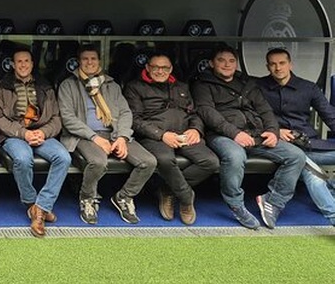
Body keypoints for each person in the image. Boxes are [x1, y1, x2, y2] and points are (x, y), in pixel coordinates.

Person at [191, 45, 305, 229]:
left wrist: (272, 131)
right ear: (212, 63)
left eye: (231, 61)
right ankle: (236, 204)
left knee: (296, 156)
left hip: (256, 133)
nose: (227, 64)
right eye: (221, 60)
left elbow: (264, 108)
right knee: (235, 156)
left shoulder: (247, 82)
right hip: (222, 135)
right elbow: (207, 112)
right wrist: (235, 133)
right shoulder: (202, 83)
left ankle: (273, 201)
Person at [59, 44, 156, 225]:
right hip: (84, 136)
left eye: (93, 59)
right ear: (79, 62)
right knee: (98, 162)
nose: (90, 62)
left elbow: (126, 113)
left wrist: (122, 137)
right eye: (85, 59)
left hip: (113, 133)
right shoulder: (68, 85)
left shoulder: (111, 85)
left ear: (99, 61)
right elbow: (68, 118)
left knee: (148, 162)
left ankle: (124, 197)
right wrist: (95, 138)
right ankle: (87, 198)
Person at [124, 52, 219, 225]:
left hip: (184, 134)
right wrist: (161, 135)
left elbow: (194, 113)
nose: (160, 71)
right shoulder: (134, 87)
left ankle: (168, 189)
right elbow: (135, 120)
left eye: (165, 68)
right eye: (155, 67)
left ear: (171, 69)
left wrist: (195, 129)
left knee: (211, 161)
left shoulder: (181, 87)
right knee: (165, 159)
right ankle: (186, 197)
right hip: (155, 137)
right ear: (147, 67)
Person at [0, 47, 69, 237]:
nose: (23, 65)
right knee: (24, 159)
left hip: (42, 133)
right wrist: (22, 133)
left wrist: (43, 132)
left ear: (33, 64)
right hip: (14, 135)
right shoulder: (2, 86)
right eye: (19, 61)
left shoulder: (45, 86)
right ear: (13, 65)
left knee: (63, 158)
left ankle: (41, 207)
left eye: (27, 61)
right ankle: (31, 203)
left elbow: (57, 118)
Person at [257, 48, 335, 226]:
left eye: (282, 63)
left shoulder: (308, 87)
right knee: (313, 175)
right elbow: (249, 116)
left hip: (310, 143)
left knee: (310, 167)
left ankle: (332, 188)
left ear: (290, 64)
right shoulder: (258, 87)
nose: (278, 68)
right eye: (273, 64)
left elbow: (330, 115)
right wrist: (276, 130)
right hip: (279, 146)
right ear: (267, 67)